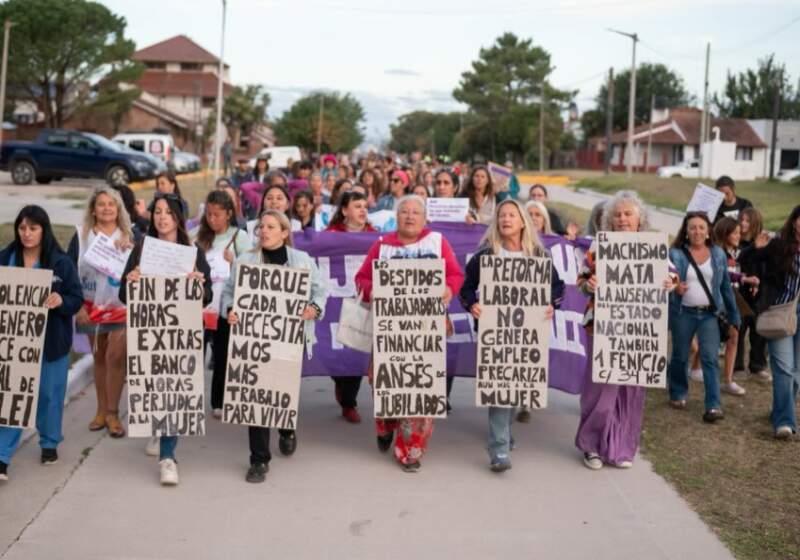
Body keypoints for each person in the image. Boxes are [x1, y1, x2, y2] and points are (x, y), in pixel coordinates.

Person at [354, 195, 464, 472]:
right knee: (383, 383)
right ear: (396, 217)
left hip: (425, 331)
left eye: (416, 212)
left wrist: (448, 289)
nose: (410, 216)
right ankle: (386, 424)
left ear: (424, 218)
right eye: (404, 211)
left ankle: (410, 451)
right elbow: (361, 279)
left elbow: (454, 275)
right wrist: (372, 290)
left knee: (420, 390)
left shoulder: (437, 242)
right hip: (390, 331)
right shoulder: (382, 245)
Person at [223, 210, 328, 482]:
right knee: (255, 396)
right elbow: (228, 293)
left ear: (284, 232)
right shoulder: (245, 261)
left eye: (271, 227)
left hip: (289, 338)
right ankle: (258, 460)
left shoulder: (301, 261)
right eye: (261, 227)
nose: (264, 231)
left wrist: (314, 309)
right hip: (253, 341)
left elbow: (319, 290)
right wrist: (230, 310)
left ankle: (285, 428)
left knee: (282, 391)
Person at [459, 199, 564, 472]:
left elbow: (557, 286)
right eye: (502, 215)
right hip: (495, 332)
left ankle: (504, 431)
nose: (506, 219)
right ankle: (499, 449)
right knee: (499, 387)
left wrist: (553, 303)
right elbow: (466, 289)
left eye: (512, 215)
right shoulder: (486, 256)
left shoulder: (538, 256)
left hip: (527, 334)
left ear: (522, 222)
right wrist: (472, 304)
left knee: (514, 386)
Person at [576, 191, 675, 470]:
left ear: (639, 218)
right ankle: (591, 446)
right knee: (601, 390)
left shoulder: (653, 246)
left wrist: (670, 281)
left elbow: (672, 274)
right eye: (617, 214)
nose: (622, 219)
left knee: (630, 391)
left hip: (638, 330)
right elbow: (581, 279)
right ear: (609, 219)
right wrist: (589, 284)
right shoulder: (599, 246)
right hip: (601, 327)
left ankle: (620, 448)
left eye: (628, 213)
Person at [119, 193, 213, 486]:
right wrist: (133, 280)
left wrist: (199, 284)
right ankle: (159, 431)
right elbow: (124, 294)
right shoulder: (142, 249)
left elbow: (207, 295)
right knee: (157, 388)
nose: (161, 217)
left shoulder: (192, 252)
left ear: (177, 217)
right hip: (151, 334)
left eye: (167, 212)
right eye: (157, 211)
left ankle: (168, 457)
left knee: (174, 390)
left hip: (181, 336)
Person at [0, 206, 83, 481]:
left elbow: (76, 297)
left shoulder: (60, 263)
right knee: (12, 396)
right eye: (22, 228)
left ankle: (49, 443)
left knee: (49, 395)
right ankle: (2, 454)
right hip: (14, 342)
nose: (27, 234)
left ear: (43, 230)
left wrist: (61, 302)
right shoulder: (5, 258)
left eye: (33, 228)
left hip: (51, 342)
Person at [67, 188, 136, 438]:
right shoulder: (81, 236)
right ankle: (100, 411)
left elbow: (140, 269)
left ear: (119, 210)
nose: (107, 208)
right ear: (93, 210)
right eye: (101, 204)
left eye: (111, 204)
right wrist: (76, 307)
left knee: (116, 357)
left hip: (121, 308)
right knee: (99, 357)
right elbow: (68, 271)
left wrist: (129, 251)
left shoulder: (130, 235)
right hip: (89, 309)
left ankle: (113, 413)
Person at [667, 211, 741, 423]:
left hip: (710, 314)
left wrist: (734, 315)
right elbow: (667, 280)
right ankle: (678, 392)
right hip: (683, 312)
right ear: (686, 231)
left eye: (701, 227)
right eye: (692, 228)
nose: (697, 231)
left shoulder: (718, 254)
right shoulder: (676, 254)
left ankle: (713, 405)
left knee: (709, 357)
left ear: (708, 231)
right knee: (680, 355)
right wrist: (675, 288)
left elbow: (725, 286)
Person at [192, 190, 252, 418]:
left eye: (217, 214)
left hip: (225, 307)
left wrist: (234, 260)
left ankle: (218, 401)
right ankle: (191, 399)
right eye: (208, 214)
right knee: (194, 353)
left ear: (228, 214)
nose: (212, 219)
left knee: (222, 355)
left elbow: (251, 268)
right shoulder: (198, 235)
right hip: (200, 304)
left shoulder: (240, 237)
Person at [745, 204, 800, 439]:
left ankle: (779, 409)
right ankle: (784, 422)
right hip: (781, 311)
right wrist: (756, 250)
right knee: (784, 370)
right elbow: (747, 259)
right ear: (794, 221)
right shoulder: (779, 244)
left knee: (797, 373)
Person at [713, 217, 760, 396]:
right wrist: (743, 279)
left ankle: (728, 380)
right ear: (725, 233)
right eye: (735, 233)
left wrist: (748, 281)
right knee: (710, 340)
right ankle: (694, 368)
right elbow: (724, 275)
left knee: (734, 336)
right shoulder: (717, 253)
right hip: (718, 302)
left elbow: (735, 273)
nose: (738, 236)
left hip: (733, 301)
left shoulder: (734, 252)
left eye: (739, 233)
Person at [736, 208, 770, 381]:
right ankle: (737, 366)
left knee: (759, 332)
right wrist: (753, 249)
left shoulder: (765, 243)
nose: (743, 224)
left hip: (760, 296)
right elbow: (739, 260)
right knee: (738, 331)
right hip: (740, 294)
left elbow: (769, 268)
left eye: (748, 221)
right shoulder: (737, 242)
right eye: (741, 219)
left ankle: (757, 366)